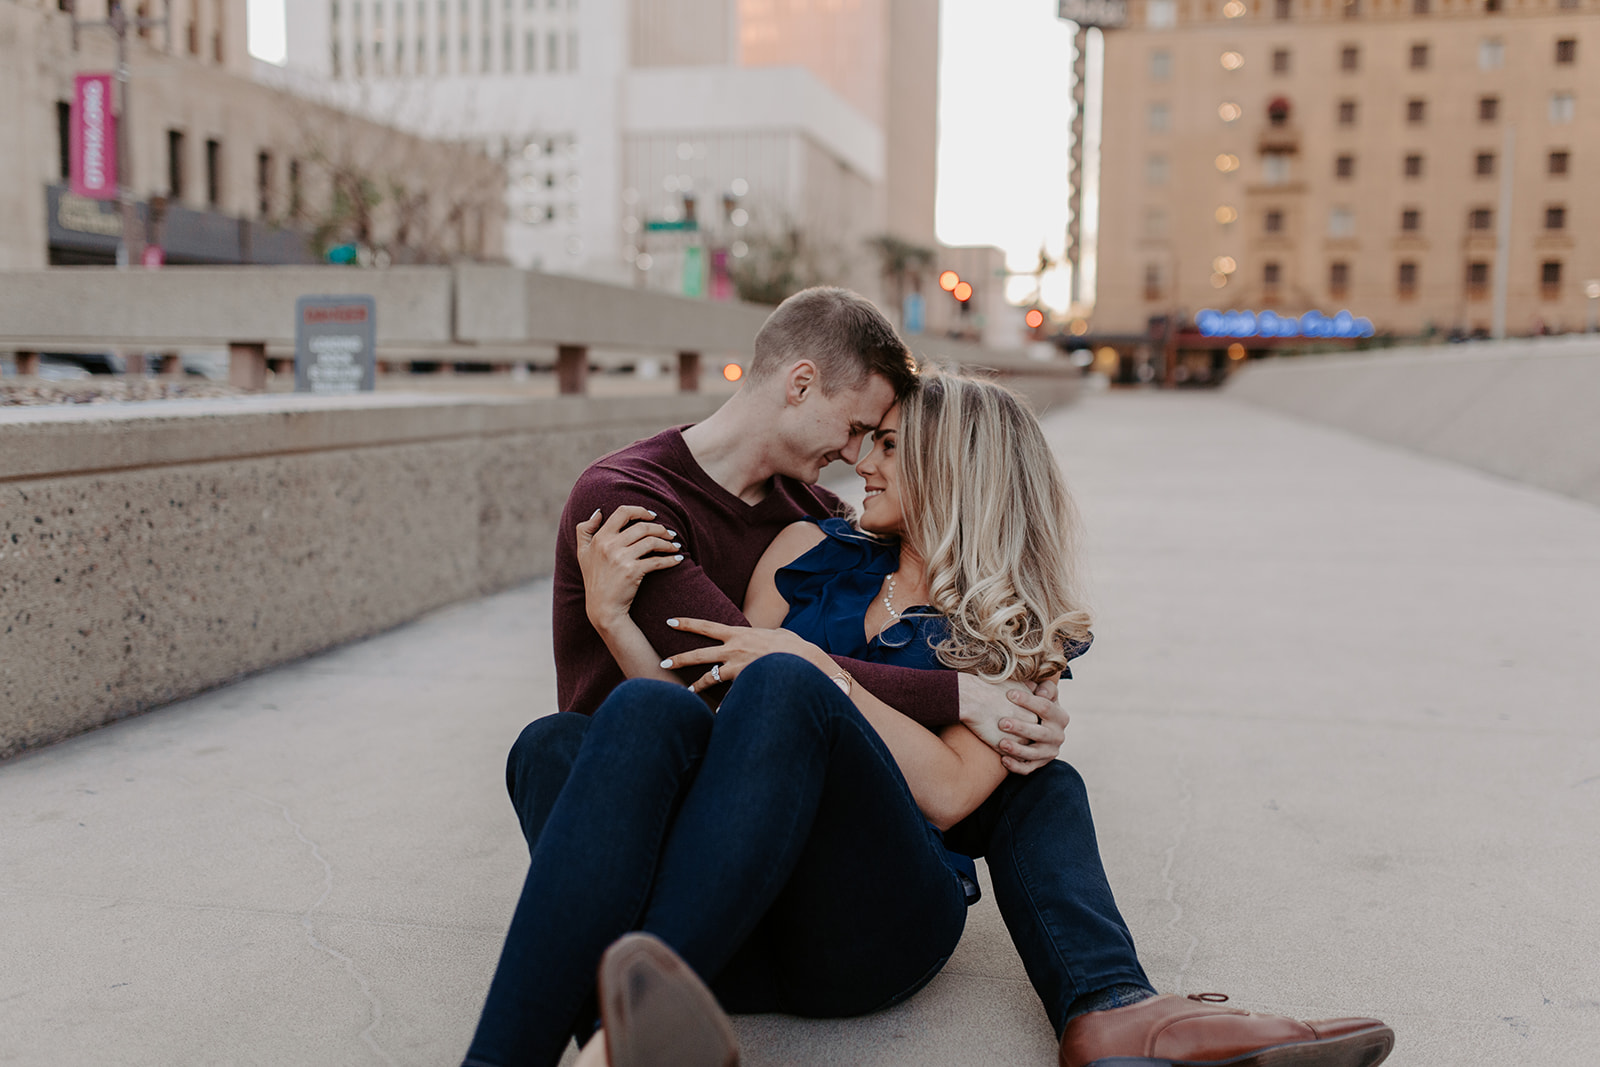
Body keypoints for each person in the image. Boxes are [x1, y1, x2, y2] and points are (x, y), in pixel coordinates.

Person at [462, 290, 1393, 1067]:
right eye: (862, 432)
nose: (860, 458)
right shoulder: (802, 545)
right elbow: (712, 686)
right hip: (729, 892)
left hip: (865, 925)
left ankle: (1117, 1009)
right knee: (564, 737)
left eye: (888, 443)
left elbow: (945, 792)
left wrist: (808, 667)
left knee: (990, 763)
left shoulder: (1017, 627)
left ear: (954, 470)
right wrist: (624, 621)